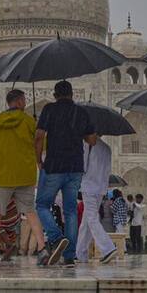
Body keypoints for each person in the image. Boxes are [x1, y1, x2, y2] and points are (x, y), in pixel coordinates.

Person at [0, 89, 50, 267]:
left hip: (1, 176)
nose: (25, 102)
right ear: (19, 102)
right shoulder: (28, 121)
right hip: (24, 175)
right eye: (24, 100)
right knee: (30, 211)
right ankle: (42, 249)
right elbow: (41, 143)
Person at [35, 80, 97, 267]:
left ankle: (55, 238)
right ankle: (69, 256)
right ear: (72, 94)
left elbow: (39, 137)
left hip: (54, 165)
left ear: (55, 95)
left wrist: (39, 160)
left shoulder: (49, 109)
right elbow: (92, 140)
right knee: (70, 211)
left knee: (42, 205)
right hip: (75, 167)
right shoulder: (81, 112)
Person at [76, 135, 117, 264]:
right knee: (86, 221)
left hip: (89, 186)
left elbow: (82, 166)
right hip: (101, 188)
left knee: (92, 218)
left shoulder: (88, 144)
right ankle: (80, 253)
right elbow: (107, 170)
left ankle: (108, 248)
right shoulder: (107, 148)